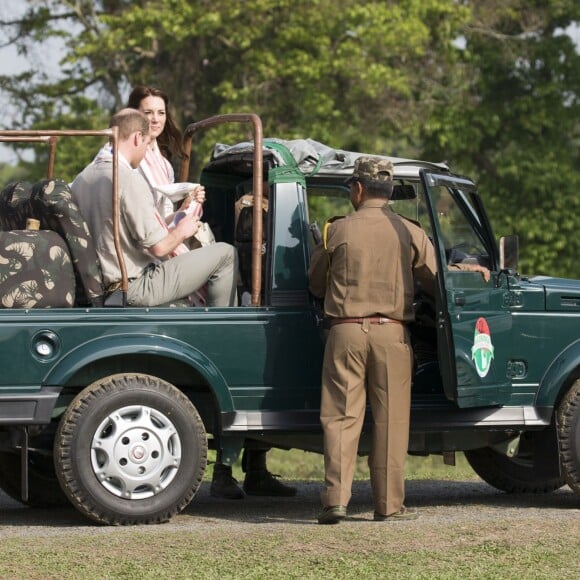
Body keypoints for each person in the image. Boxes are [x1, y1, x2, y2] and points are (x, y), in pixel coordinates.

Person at [308, 156, 438, 524]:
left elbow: (316, 283)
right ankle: (388, 505)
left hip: (345, 331)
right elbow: (434, 281)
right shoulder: (409, 231)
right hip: (391, 333)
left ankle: (335, 500)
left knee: (340, 418)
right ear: (389, 191)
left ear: (359, 189)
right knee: (391, 420)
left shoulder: (336, 230)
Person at [71, 108, 237, 308]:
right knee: (226, 254)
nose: (146, 152)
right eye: (148, 143)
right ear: (137, 138)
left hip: (104, 287)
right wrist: (183, 230)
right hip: (133, 287)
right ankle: (222, 332)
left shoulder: (83, 178)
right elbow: (159, 247)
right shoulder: (127, 178)